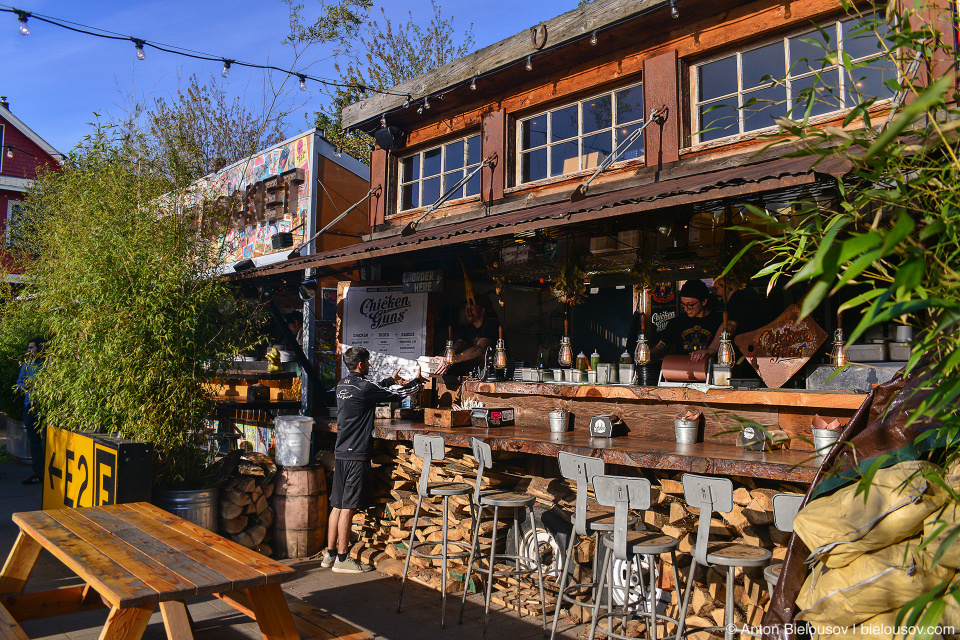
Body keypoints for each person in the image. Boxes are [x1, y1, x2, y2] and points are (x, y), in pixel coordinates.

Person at [321, 346, 423, 573]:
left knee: (336, 505)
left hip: (341, 452)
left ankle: (329, 555)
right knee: (348, 506)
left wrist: (390, 379)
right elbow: (398, 395)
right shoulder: (364, 387)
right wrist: (417, 382)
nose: (369, 365)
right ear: (361, 364)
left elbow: (373, 390)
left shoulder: (343, 385)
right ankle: (343, 558)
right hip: (357, 453)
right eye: (367, 362)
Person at [651, 280, 722, 363]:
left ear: (704, 301)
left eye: (690, 305)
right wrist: (646, 356)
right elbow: (660, 347)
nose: (686, 308)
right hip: (683, 371)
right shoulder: (677, 322)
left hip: (710, 370)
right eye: (683, 304)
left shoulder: (718, 321)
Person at [434, 294, 500, 376]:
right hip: (484, 373)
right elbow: (458, 346)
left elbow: (478, 350)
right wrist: (437, 358)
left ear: (482, 311)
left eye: (472, 309)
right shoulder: (470, 328)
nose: (468, 312)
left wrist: (450, 360)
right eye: (466, 309)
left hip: (498, 372)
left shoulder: (491, 324)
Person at [16, 337, 46, 486]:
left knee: (47, 442)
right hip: (30, 407)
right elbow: (18, 383)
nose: (29, 351)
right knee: (34, 442)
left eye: (32, 348)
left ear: (40, 348)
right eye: (28, 348)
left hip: (45, 407)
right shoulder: (27, 365)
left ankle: (50, 474)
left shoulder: (48, 365)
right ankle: (39, 473)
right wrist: (26, 387)